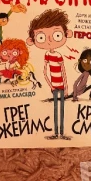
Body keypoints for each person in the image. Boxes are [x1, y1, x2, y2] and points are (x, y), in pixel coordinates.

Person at [26, 9, 72, 140]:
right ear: (31, 40)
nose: (50, 40)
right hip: (54, 87)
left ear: (67, 34)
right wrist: (51, 85)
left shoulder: (58, 56)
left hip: (61, 86)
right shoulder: (47, 55)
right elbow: (45, 72)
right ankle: (56, 133)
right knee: (56, 108)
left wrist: (66, 88)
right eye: (41, 37)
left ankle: (61, 133)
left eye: (57, 35)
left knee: (61, 109)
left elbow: (63, 72)